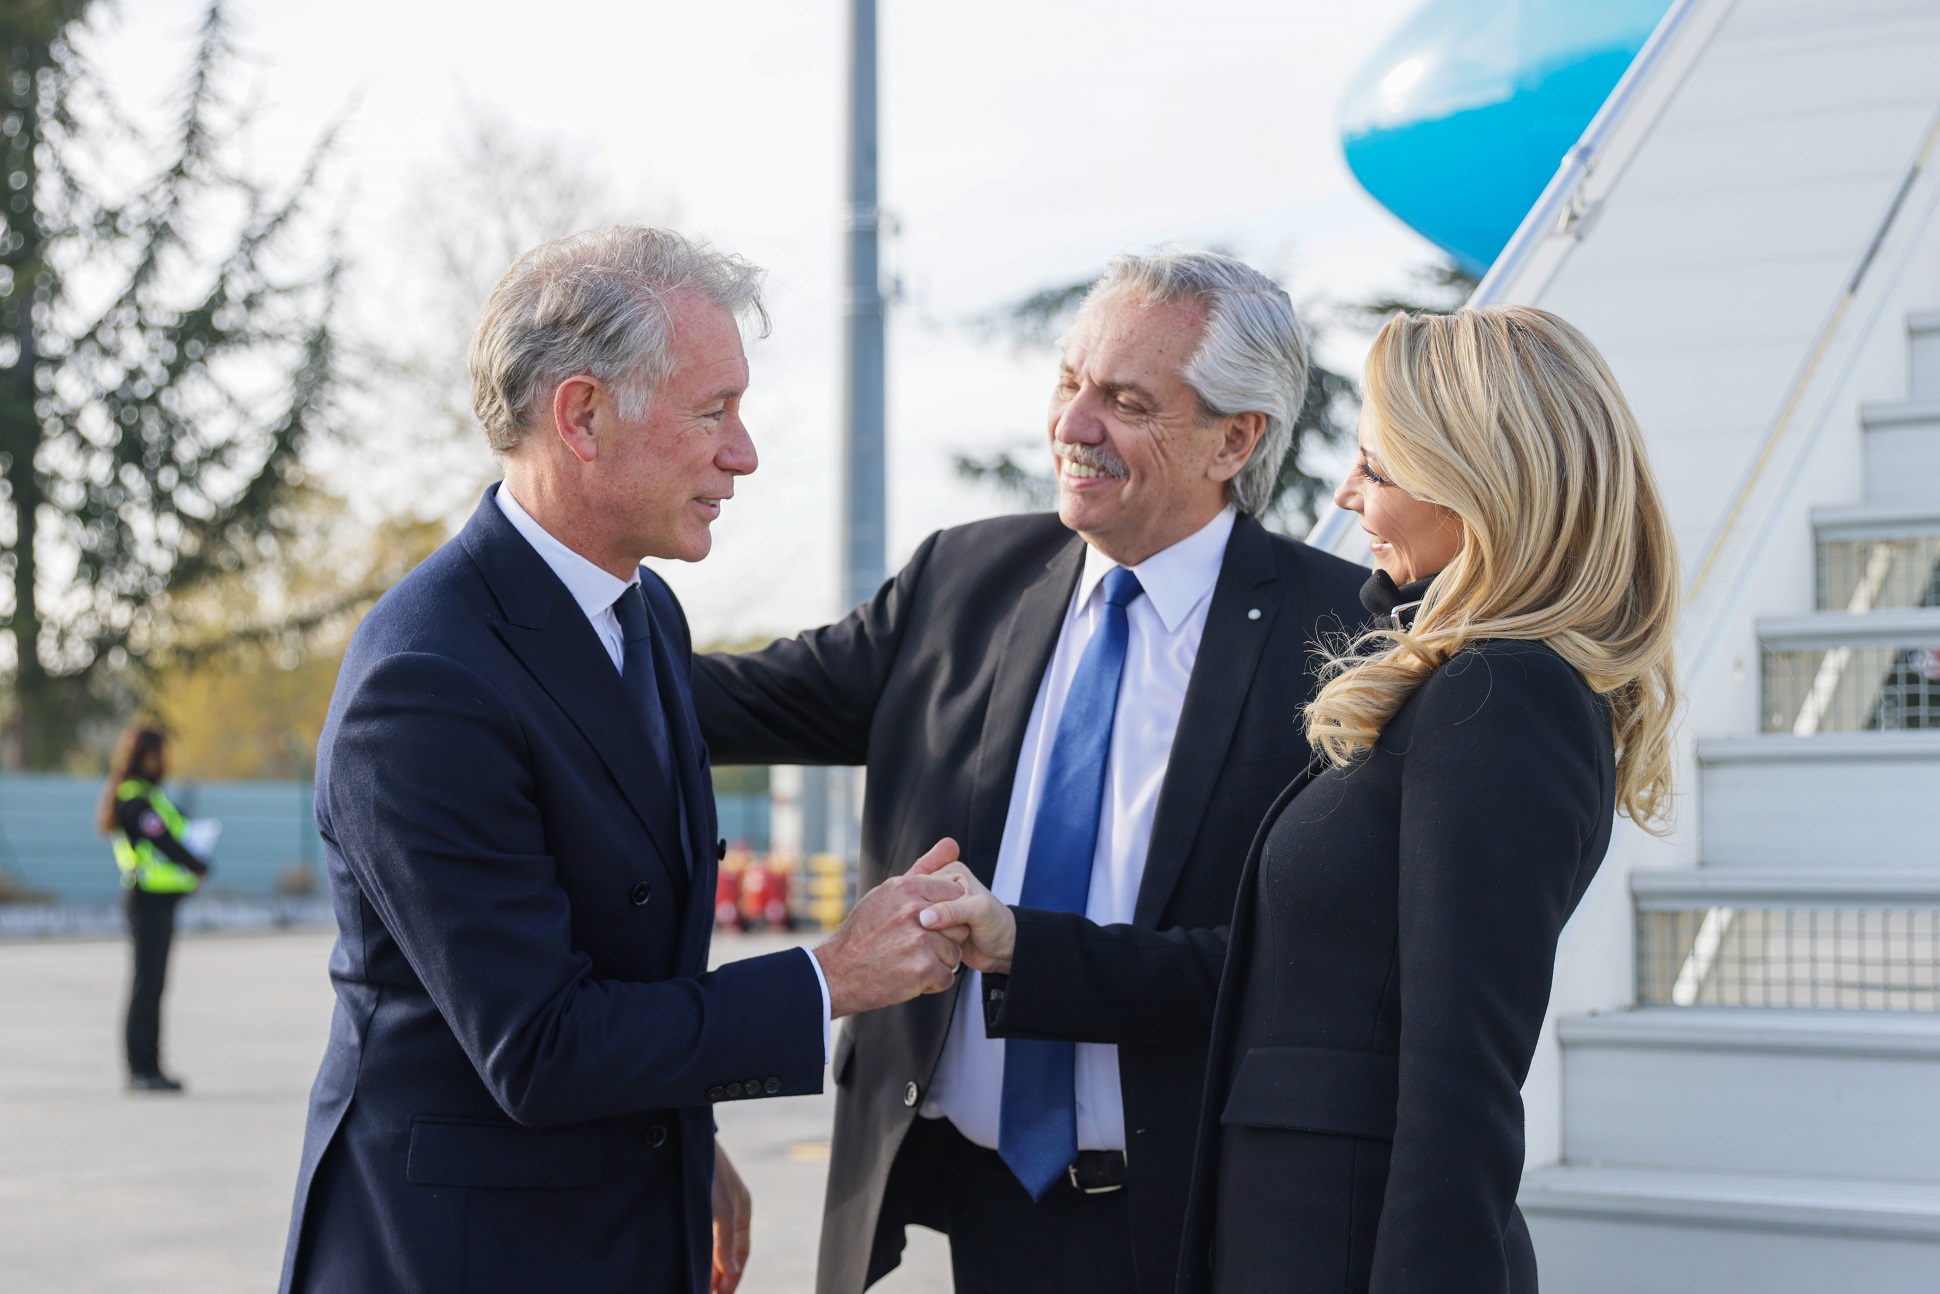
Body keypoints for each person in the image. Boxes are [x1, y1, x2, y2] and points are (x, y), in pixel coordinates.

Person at [277, 228, 967, 1294]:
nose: (742, 453)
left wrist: (686, 1138)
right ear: (583, 416)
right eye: (712, 412)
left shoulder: (640, 607)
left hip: (621, 1223)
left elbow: (629, 953)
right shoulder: (426, 680)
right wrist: (828, 975)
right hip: (461, 1257)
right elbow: (541, 1044)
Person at [936, 305, 1680, 1291]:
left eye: (1374, 467)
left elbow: (1458, 1081)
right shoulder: (1451, 679)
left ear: (1475, 482)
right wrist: (1021, 944)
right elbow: (1263, 973)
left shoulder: (1501, 696)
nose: (1344, 492)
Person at [692, 251, 1368, 1294]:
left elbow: (1304, 971)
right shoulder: (963, 577)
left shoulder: (1339, 639)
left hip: (1198, 1218)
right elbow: (724, 701)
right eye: (1068, 382)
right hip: (976, 1199)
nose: (1072, 426)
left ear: (1233, 440)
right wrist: (544, 584)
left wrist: (1027, 952)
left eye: (1125, 401)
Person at [98, 723, 211, 1093]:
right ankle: (138, 1069)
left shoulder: (151, 795)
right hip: (145, 901)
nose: (161, 760)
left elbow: (174, 828)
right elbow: (160, 838)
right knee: (146, 986)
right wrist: (196, 864)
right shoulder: (133, 798)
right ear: (140, 755)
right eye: (155, 752)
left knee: (155, 985)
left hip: (160, 902)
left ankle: (152, 1065)